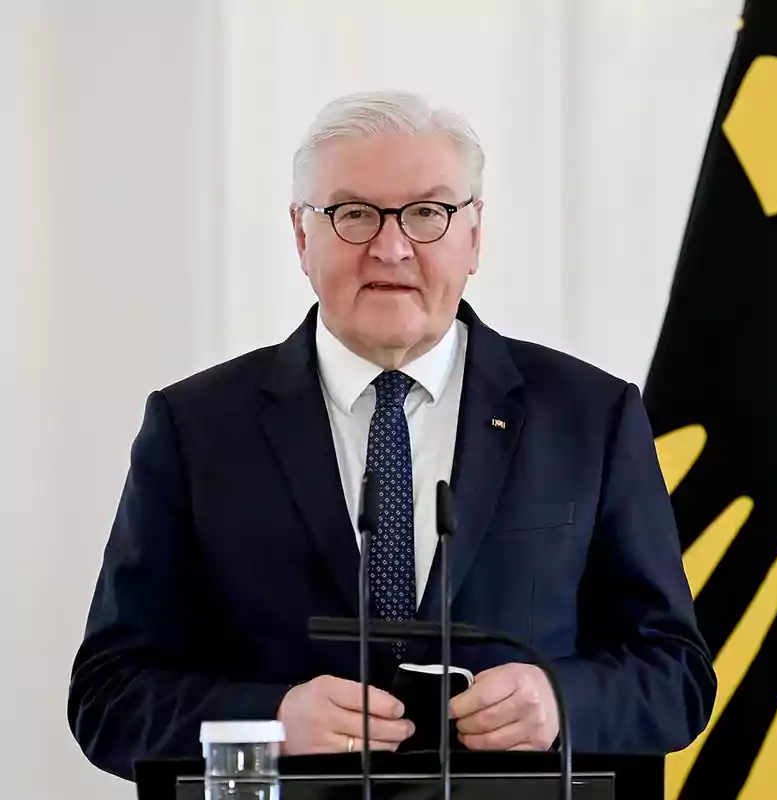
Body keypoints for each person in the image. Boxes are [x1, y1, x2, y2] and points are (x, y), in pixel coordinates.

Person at [67, 90, 716, 781]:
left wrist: (560, 703)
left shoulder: (592, 415)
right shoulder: (195, 428)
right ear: (300, 236)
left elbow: (675, 674)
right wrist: (272, 722)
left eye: (428, 213)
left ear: (474, 235)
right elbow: (110, 694)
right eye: (352, 214)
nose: (392, 246)